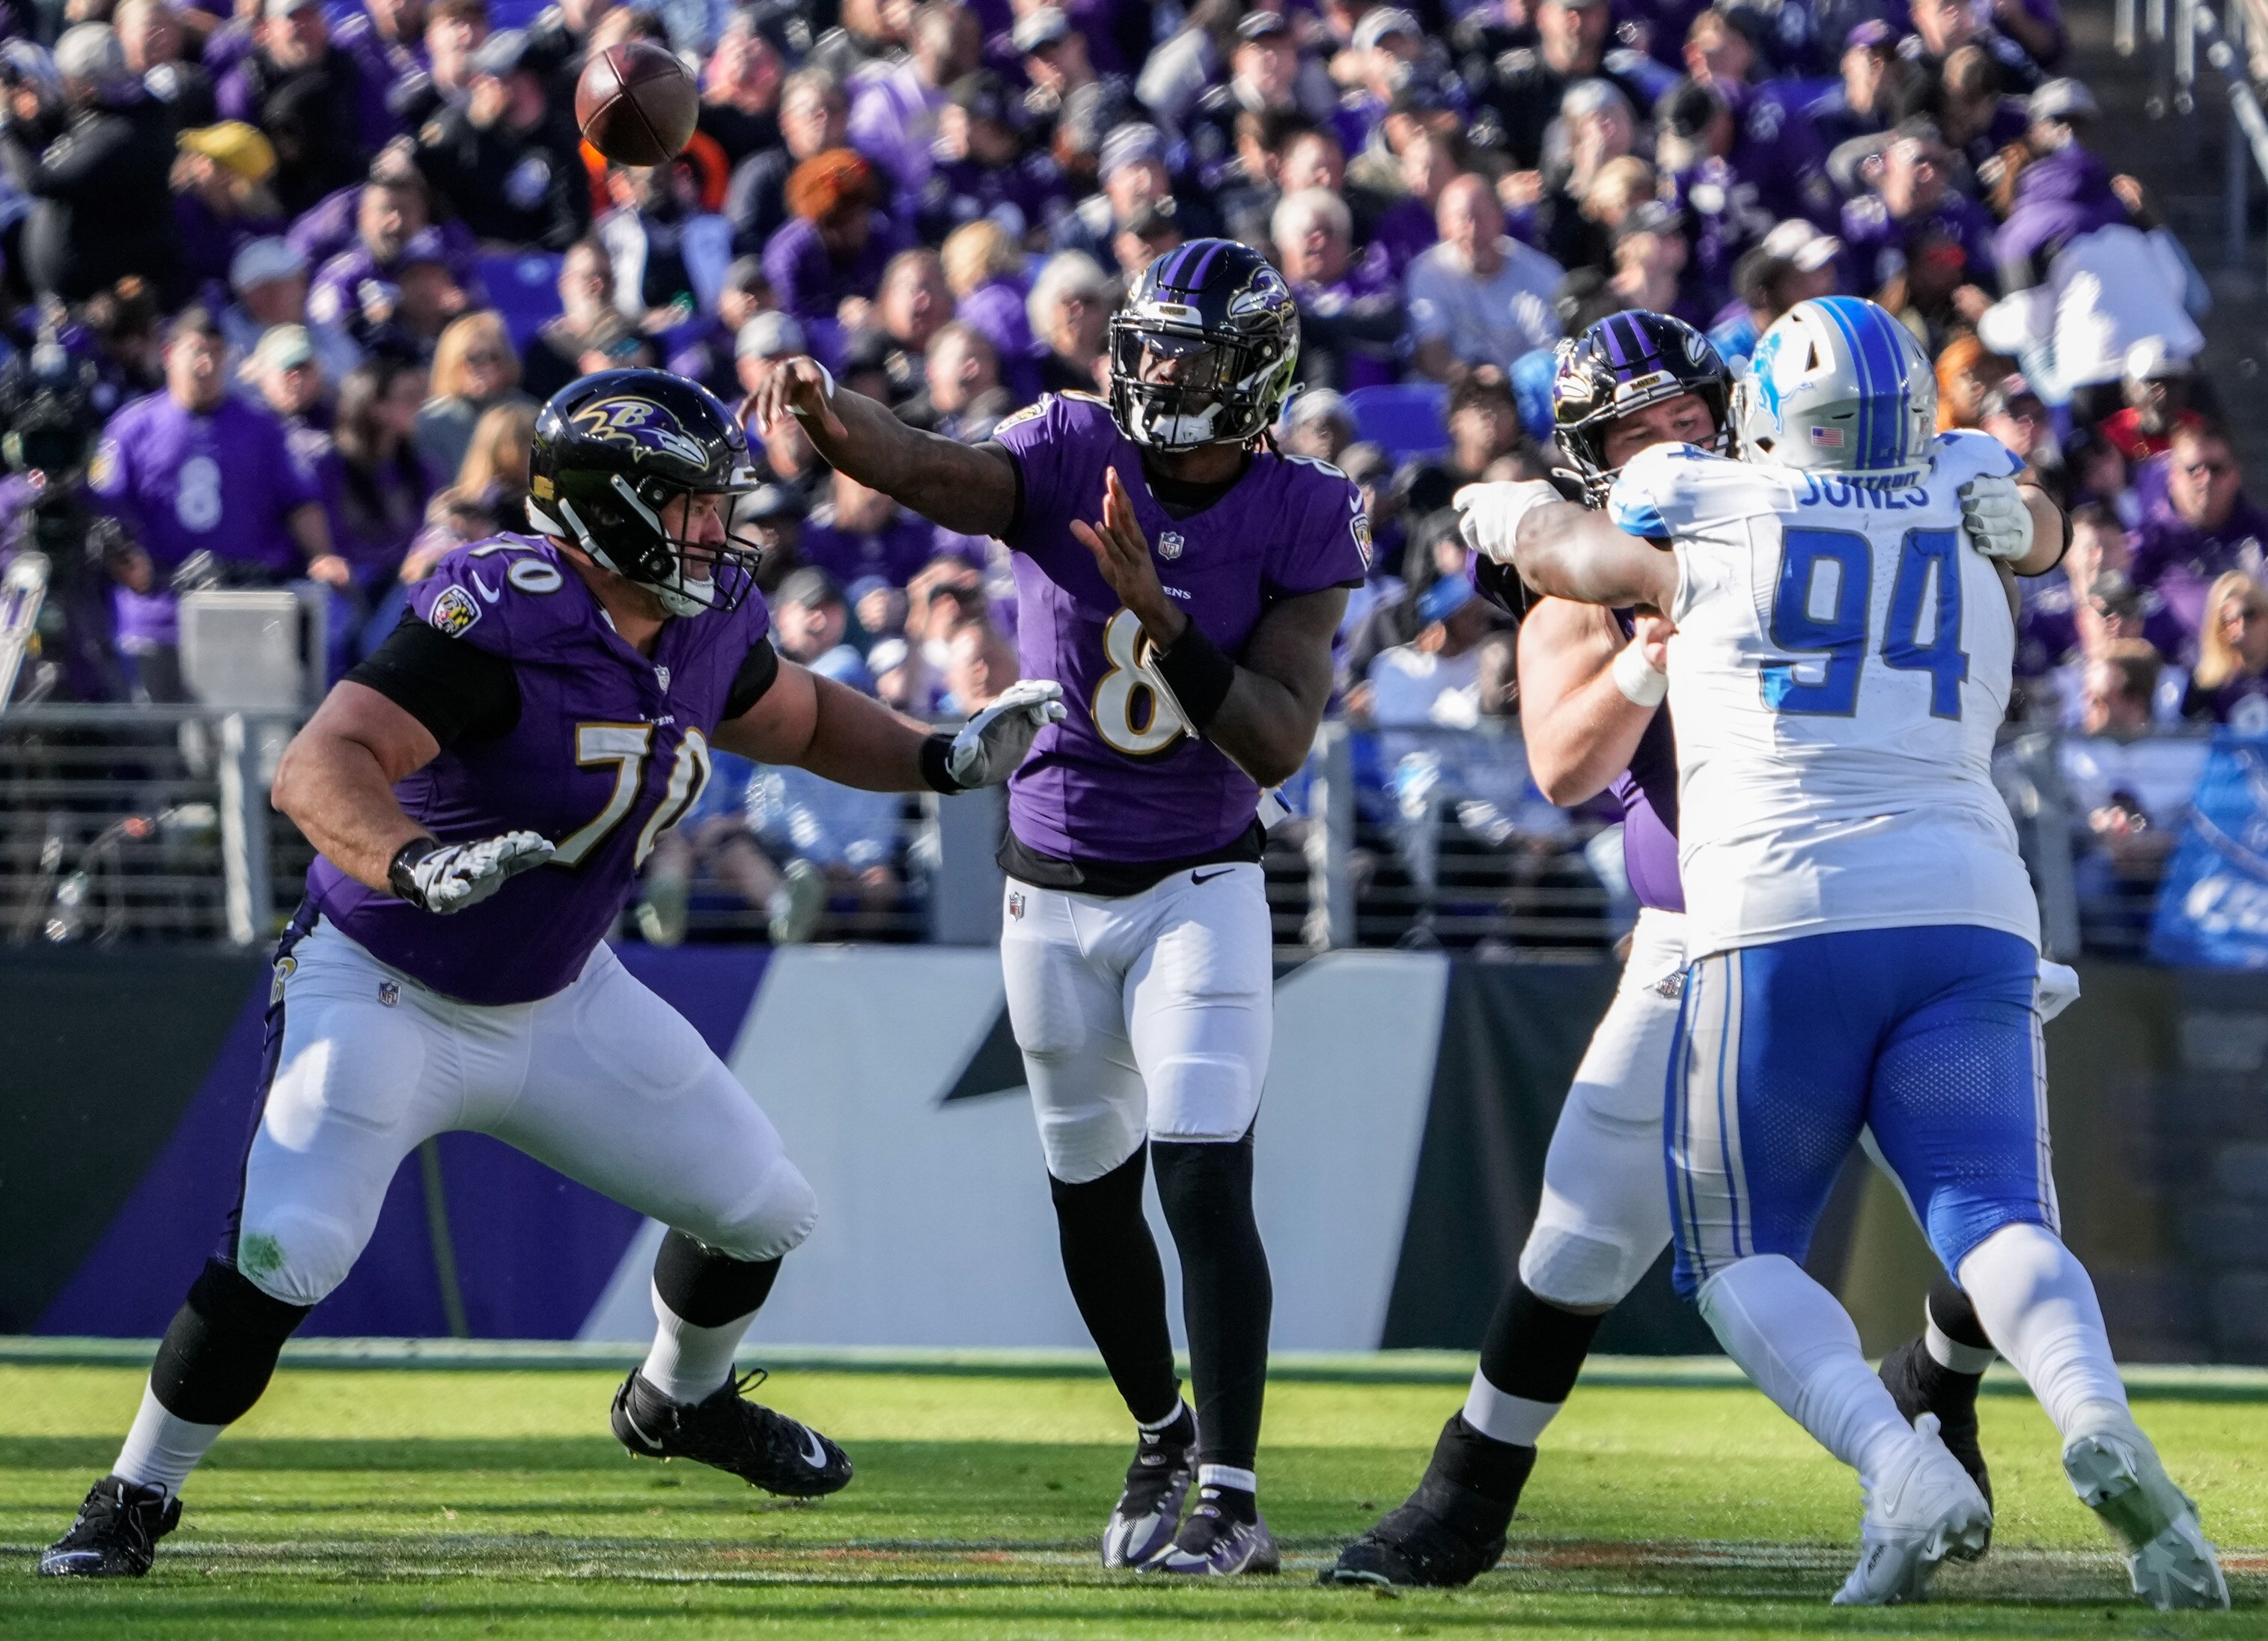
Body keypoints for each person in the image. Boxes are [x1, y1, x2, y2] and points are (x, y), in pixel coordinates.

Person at [39, 368, 1065, 1580]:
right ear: (608, 506)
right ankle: (131, 1496)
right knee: (293, 1244)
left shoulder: (700, 611)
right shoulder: (506, 608)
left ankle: (677, 1401)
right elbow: (321, 763)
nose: (711, 525)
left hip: (559, 991)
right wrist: (415, 860)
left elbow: (789, 717)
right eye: (685, 502)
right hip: (386, 976)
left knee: (759, 1209)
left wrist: (941, 756)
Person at [1502, 295, 2225, 1611]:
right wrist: (2046, 528)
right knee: (1999, 1215)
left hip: (1779, 912)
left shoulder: (1698, 497)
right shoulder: (1962, 476)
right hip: (1970, 904)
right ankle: (2098, 1414)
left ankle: (1903, 1463)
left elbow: (1565, 540)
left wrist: (1493, 519)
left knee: (1734, 1254)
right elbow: (2041, 523)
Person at [1324, 308, 2005, 1587]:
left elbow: (2001, 512)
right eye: (1637, 430)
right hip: (1708, 934)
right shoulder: (1595, 560)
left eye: (1687, 418)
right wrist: (1650, 644)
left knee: (1993, 1203)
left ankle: (1936, 1386)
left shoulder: (1831, 504)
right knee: (1583, 1228)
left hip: (1897, 897)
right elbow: (1563, 762)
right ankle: (1466, 1491)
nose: (1671, 445)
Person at [749, 238, 1368, 1574]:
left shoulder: (1307, 509)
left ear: (1253, 372)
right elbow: (925, 463)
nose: (1155, 373)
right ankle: (1159, 1428)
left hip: (1202, 878)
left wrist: (1164, 612)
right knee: (1090, 1193)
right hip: (1049, 882)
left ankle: (1235, 1495)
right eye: (1144, 346)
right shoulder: (1068, 441)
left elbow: (1272, 739)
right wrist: (826, 411)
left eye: (1188, 355)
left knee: (1205, 1174)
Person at [89, 307, 343, 700]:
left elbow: (299, 501)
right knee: (165, 745)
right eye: (197, 352)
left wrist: (321, 555)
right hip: (159, 613)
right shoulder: (132, 428)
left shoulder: (261, 427)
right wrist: (126, 562)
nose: (207, 364)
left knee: (246, 739)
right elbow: (107, 512)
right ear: (170, 354)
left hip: (244, 609)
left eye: (216, 353)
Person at [0, 22, 182, 303]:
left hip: (93, 297)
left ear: (85, 87)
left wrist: (5, 127)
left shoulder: (123, 136)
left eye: (65, 79)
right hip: (75, 275)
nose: (59, 84)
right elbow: (73, 122)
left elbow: (38, 182)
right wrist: (29, 112)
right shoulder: (132, 106)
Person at [411, 25, 590, 251]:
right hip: (463, 260)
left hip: (531, 265)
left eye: (499, 79)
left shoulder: (559, 141)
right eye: (485, 79)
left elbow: (571, 227)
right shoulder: (458, 129)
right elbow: (432, 185)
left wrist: (519, 252)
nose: (484, 87)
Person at [1407, 174, 1564, 384]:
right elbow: (1432, 354)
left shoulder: (1542, 274)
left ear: (1500, 219)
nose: (1473, 231)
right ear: (1444, 226)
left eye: (1481, 217)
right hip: (1456, 391)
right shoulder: (1428, 272)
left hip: (1526, 392)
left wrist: (1508, 387)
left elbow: (1554, 354)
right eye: (1463, 219)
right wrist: (1478, 382)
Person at [413, 309, 525, 480]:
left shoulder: (524, 412)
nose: (485, 367)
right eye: (474, 358)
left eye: (493, 357)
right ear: (452, 360)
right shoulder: (430, 422)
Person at [2180, 572, 2268, 730]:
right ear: (2219, 628)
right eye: (2229, 619)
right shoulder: (2206, 686)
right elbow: (2196, 745)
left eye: (2249, 614)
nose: (2241, 625)